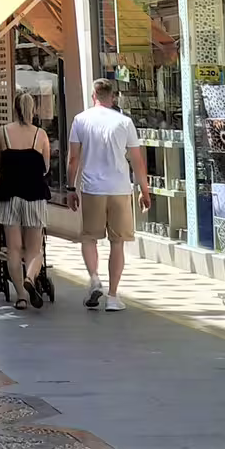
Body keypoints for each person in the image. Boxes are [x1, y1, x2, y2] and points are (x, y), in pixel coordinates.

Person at [66, 77, 149, 310]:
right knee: (117, 242)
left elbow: (73, 158)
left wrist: (70, 187)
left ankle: (94, 278)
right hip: (119, 189)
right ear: (112, 97)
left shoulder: (80, 120)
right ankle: (113, 297)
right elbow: (137, 160)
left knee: (89, 237)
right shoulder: (124, 122)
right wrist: (144, 190)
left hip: (92, 188)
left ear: (93, 96)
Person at [0, 89, 52, 310]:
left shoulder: (2, 133)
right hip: (35, 195)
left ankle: (20, 296)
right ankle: (30, 278)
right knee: (35, 250)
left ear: (14, 108)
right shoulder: (41, 135)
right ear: (33, 110)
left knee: (14, 249)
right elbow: (45, 167)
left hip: (8, 195)